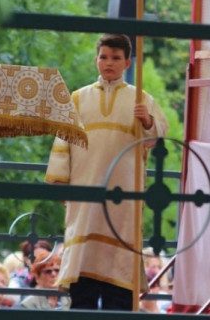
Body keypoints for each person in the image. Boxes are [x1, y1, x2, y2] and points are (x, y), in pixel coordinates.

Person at [45, 33, 169, 310]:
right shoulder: (78, 98)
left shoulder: (141, 99)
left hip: (123, 198)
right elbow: (63, 139)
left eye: (116, 58)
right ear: (96, 60)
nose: (109, 63)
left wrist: (147, 120)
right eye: (104, 57)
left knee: (119, 287)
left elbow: (158, 139)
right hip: (85, 193)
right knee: (83, 286)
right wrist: (61, 181)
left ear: (127, 62)